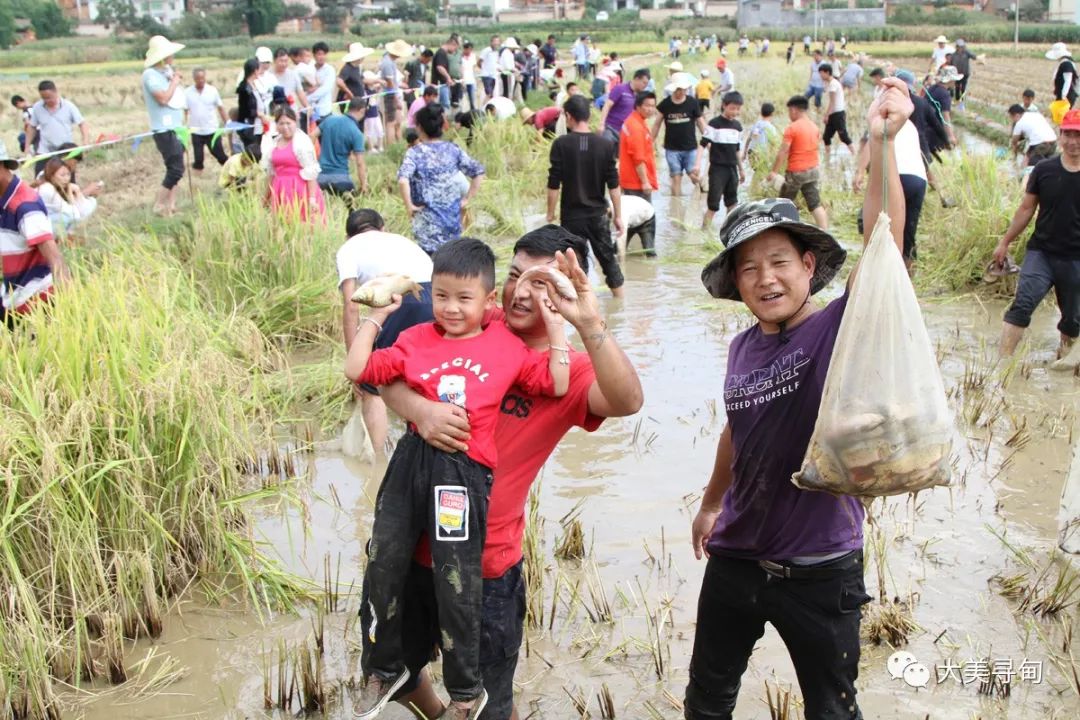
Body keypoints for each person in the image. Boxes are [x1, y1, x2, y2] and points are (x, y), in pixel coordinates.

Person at [685, 77, 912, 720]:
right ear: (736, 283)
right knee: (706, 700)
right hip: (736, 554)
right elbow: (737, 430)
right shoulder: (741, 349)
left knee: (832, 710)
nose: (766, 278)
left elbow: (884, 244)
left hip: (820, 565)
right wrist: (709, 505)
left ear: (808, 266)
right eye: (749, 268)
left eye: (779, 261)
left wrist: (880, 143)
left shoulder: (839, 327)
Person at [368, 225, 640, 720]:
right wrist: (420, 411)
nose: (522, 292)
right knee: (397, 673)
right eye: (516, 275)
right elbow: (388, 375)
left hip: (487, 564)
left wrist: (589, 322)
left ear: (564, 294)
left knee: (490, 703)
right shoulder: (474, 320)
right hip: (412, 545)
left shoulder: (572, 370)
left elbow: (626, 401)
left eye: (543, 283)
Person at [346, 236, 571, 720]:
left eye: (464, 298)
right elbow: (359, 368)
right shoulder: (414, 339)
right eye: (441, 296)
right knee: (383, 559)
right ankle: (384, 668)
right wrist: (374, 317)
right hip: (411, 463)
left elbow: (556, 381)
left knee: (457, 577)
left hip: (460, 476)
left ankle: (466, 690)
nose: (450, 308)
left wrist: (558, 329)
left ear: (488, 301)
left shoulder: (506, 347)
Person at [337, 208, 434, 453]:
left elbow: (351, 306)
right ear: (383, 228)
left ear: (348, 236)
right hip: (436, 298)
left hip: (400, 298)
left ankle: (377, 459)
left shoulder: (348, 248)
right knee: (424, 375)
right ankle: (423, 443)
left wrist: (357, 362)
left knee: (373, 383)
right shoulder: (402, 241)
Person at [993, 109, 1080, 360]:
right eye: (1069, 134)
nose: (1074, 141)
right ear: (1060, 135)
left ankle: (1063, 362)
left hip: (1075, 258)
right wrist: (1005, 242)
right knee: (1022, 305)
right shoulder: (1044, 169)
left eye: (1078, 135)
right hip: (1041, 253)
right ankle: (1001, 365)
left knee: (1072, 321)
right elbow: (1026, 209)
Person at [547, 94, 624, 298]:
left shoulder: (561, 145)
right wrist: (618, 216)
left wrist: (549, 214)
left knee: (574, 267)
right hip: (598, 215)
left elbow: (554, 183)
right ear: (588, 116)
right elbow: (614, 185)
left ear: (569, 116)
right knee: (609, 261)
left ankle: (580, 307)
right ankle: (620, 302)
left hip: (571, 217)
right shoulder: (605, 145)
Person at [0, 140, 70, 329]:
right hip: (10, 300)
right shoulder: (3, 199)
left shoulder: (25, 207)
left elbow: (55, 260)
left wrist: (70, 312)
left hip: (36, 307)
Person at [398, 104, 484, 255]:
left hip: (426, 225)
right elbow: (478, 172)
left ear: (419, 128)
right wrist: (467, 199)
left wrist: (409, 206)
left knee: (429, 266)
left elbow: (402, 180)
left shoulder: (414, 153)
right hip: (451, 222)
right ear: (441, 126)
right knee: (450, 265)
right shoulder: (453, 149)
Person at [854, 118, 927, 270]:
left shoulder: (882, 120)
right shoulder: (910, 125)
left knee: (875, 227)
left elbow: (869, 146)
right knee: (908, 235)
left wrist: (860, 172)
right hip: (919, 179)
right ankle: (907, 280)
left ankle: (877, 273)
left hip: (895, 176)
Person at [141, 35, 187, 217]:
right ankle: (159, 204)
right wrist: (174, 82)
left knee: (176, 167)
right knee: (175, 169)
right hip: (164, 129)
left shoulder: (166, 72)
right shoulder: (150, 75)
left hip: (177, 127)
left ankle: (171, 206)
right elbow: (163, 99)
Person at [767, 95, 828, 229]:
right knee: (815, 204)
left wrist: (774, 172)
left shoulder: (793, 128)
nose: (789, 115)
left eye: (789, 111)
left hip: (797, 171)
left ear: (794, 110)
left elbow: (783, 151)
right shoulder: (814, 127)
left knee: (783, 202)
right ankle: (825, 232)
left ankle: (780, 230)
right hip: (813, 171)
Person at [262, 107, 325, 223]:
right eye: (281, 123)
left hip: (300, 190)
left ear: (295, 122)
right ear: (276, 125)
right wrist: (266, 197)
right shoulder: (274, 144)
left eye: (288, 123)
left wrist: (311, 199)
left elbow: (311, 172)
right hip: (280, 190)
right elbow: (271, 173)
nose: (285, 127)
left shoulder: (302, 142)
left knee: (303, 226)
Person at [696, 91, 745, 229]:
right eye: (732, 108)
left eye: (738, 109)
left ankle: (729, 232)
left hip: (732, 169)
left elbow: (737, 150)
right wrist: (697, 165)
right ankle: (703, 233)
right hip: (717, 169)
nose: (735, 112)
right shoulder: (714, 124)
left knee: (732, 204)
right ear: (724, 105)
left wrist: (741, 170)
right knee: (713, 205)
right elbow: (702, 144)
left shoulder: (738, 127)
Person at [654, 73, 705, 197]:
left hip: (690, 148)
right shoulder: (665, 104)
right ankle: (676, 207)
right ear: (673, 89)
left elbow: (700, 123)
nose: (680, 92)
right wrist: (650, 142)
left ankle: (702, 191)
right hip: (672, 149)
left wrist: (710, 141)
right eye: (678, 89)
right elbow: (656, 124)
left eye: (683, 89)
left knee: (693, 175)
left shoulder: (692, 103)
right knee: (676, 177)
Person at [26, 80, 90, 175]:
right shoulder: (37, 107)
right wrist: (27, 147)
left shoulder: (69, 106)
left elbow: (82, 123)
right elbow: (32, 127)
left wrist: (85, 141)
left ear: (56, 92)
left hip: (65, 152)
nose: (47, 101)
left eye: (49, 97)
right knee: (40, 178)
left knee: (66, 181)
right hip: (44, 151)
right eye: (44, 98)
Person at [316, 97, 369, 198]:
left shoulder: (329, 120)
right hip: (341, 179)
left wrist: (314, 158)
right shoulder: (356, 132)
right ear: (362, 110)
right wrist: (364, 186)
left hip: (320, 178)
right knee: (353, 206)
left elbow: (312, 136)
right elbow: (360, 163)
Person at [184, 68, 229, 173]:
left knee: (220, 156)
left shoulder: (212, 90)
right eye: (198, 78)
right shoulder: (187, 93)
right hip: (196, 131)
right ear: (194, 79)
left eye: (203, 78)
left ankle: (231, 173)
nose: (201, 80)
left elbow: (220, 108)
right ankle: (198, 183)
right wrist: (184, 126)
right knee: (198, 159)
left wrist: (228, 122)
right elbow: (185, 111)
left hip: (212, 130)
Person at [619, 91, 659, 205]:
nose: (650, 109)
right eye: (647, 105)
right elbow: (638, 158)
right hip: (636, 183)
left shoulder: (637, 121)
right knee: (644, 219)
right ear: (638, 106)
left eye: (653, 106)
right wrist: (645, 182)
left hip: (631, 180)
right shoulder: (636, 127)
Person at [38, 157, 96, 235]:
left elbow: (84, 211)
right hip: (38, 226)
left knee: (92, 201)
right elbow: (74, 215)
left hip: (45, 221)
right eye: (62, 175)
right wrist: (70, 193)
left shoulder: (52, 184)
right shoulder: (48, 188)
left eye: (68, 174)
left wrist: (78, 191)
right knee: (65, 218)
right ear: (51, 176)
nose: (66, 179)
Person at [600, 68, 651, 150]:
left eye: (646, 84)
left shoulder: (639, 97)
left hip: (626, 134)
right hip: (611, 129)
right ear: (637, 79)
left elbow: (640, 116)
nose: (645, 86)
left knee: (621, 160)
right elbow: (607, 105)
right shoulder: (620, 89)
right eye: (644, 83)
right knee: (606, 153)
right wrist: (601, 124)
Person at [819, 63, 855, 159]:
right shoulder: (831, 83)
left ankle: (854, 155)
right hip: (833, 114)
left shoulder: (833, 84)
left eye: (821, 73)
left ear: (827, 73)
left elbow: (832, 102)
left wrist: (826, 115)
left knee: (843, 136)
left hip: (838, 114)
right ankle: (827, 158)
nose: (820, 76)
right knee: (826, 137)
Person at [1008, 103, 1059, 169]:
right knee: (1030, 159)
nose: (1012, 120)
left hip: (1040, 144)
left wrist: (1014, 157)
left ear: (1017, 115)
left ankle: (1022, 176)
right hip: (1053, 142)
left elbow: (1014, 142)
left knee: (1031, 167)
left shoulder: (1019, 123)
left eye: (1012, 117)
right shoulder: (1037, 115)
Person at [382, 40, 414, 146]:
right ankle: (391, 146)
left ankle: (398, 143)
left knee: (397, 122)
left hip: (393, 94)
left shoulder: (391, 61)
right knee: (390, 123)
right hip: (390, 95)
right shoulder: (387, 63)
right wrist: (396, 99)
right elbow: (390, 84)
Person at [614, 192, 656, 261]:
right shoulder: (608, 206)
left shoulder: (621, 213)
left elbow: (621, 238)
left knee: (649, 251)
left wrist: (622, 262)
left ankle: (652, 267)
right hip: (631, 220)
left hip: (646, 219)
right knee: (615, 249)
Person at [236, 58, 267, 152]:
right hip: (249, 126)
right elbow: (245, 109)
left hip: (258, 125)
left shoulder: (254, 85)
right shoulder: (244, 89)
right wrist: (260, 114)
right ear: (255, 71)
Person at [927, 67, 960, 146]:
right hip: (934, 130)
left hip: (925, 125)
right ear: (950, 80)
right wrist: (951, 136)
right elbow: (945, 117)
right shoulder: (944, 94)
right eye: (954, 80)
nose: (955, 82)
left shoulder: (932, 88)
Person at [338, 42, 374, 106]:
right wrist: (349, 93)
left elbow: (362, 79)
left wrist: (378, 81)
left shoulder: (357, 67)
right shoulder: (347, 68)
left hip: (358, 101)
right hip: (349, 103)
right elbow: (339, 82)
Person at [309, 41, 337, 124]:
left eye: (324, 54)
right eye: (319, 54)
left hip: (324, 110)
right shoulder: (309, 68)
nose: (321, 57)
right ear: (314, 55)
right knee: (312, 133)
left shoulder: (329, 70)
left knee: (325, 134)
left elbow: (325, 89)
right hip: (312, 110)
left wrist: (308, 99)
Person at [432, 35, 459, 110]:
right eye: (455, 48)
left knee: (443, 105)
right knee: (445, 105)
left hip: (442, 84)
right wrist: (448, 78)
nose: (454, 51)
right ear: (452, 44)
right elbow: (440, 67)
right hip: (440, 84)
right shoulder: (441, 53)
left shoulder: (442, 53)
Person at [1047, 43, 1078, 107]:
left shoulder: (1066, 64)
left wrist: (1063, 96)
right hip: (1064, 95)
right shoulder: (1065, 62)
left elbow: (1068, 80)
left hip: (1067, 96)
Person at [950, 39, 976, 107]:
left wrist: (967, 51)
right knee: (957, 88)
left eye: (962, 46)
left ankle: (962, 102)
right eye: (959, 46)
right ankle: (957, 101)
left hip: (965, 73)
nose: (960, 48)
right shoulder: (953, 55)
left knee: (963, 88)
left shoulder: (966, 53)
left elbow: (974, 57)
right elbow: (951, 64)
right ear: (956, 47)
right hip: (956, 74)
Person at [479, 36, 500, 101]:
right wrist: (484, 70)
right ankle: (483, 108)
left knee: (491, 95)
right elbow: (479, 61)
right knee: (488, 94)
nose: (496, 43)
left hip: (493, 75)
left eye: (497, 41)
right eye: (495, 41)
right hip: (486, 75)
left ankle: (488, 108)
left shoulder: (496, 52)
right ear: (491, 42)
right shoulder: (487, 50)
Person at [460, 41, 478, 112]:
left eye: (471, 49)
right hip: (463, 80)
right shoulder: (460, 57)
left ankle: (472, 111)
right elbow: (461, 68)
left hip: (471, 79)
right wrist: (462, 79)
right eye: (468, 49)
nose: (469, 51)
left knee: (472, 98)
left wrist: (475, 78)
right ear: (464, 49)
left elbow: (474, 67)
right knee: (463, 98)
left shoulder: (473, 56)